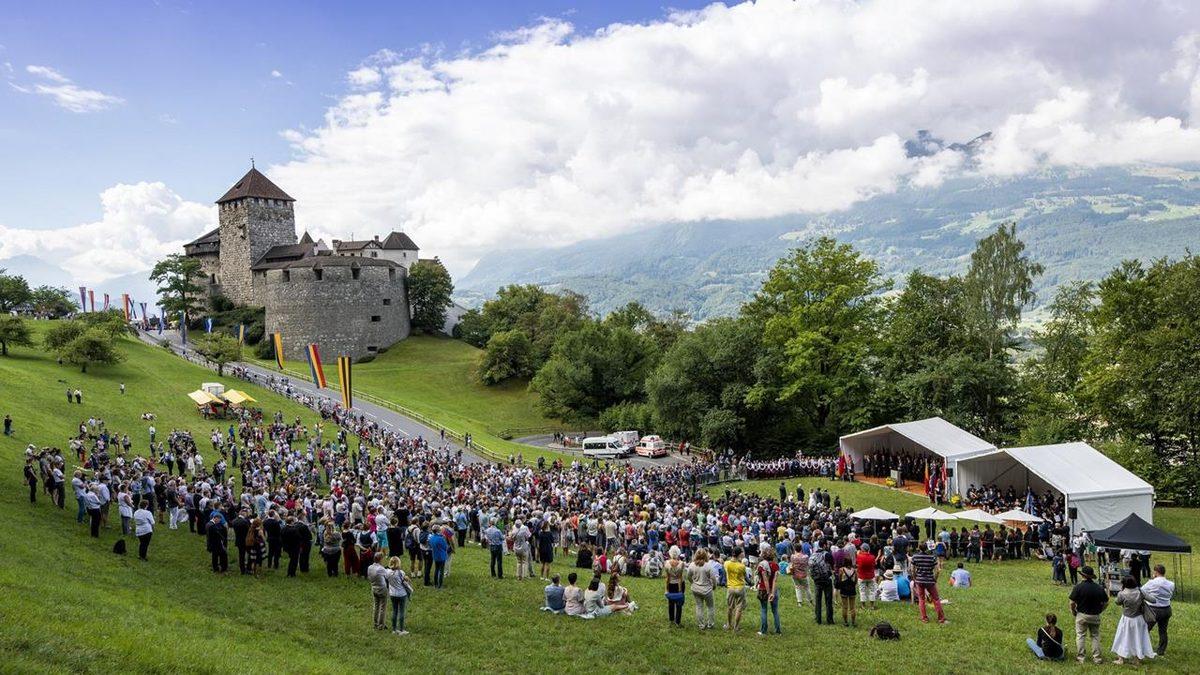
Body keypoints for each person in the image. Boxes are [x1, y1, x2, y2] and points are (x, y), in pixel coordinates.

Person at [1069, 565, 1108, 664]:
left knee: (1081, 635)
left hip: (1082, 614)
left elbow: (1072, 602)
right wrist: (1100, 610)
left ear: (1082, 575)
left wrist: (1073, 611)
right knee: (1095, 636)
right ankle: (1097, 658)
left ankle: (1081, 657)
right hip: (1095, 615)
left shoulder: (1078, 587)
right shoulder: (1098, 588)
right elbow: (1106, 602)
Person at [1111, 575, 1155, 664]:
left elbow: (1117, 602)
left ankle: (1121, 659)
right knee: (1138, 638)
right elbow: (1153, 600)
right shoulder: (1140, 592)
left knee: (1123, 637)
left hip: (1127, 619)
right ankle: (1137, 659)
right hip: (1139, 619)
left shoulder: (1122, 594)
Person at [1141, 564, 1174, 655]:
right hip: (1166, 609)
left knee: (1145, 629)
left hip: (1153, 609)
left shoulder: (1151, 583)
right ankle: (1161, 650)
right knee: (1163, 630)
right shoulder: (1171, 584)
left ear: (1156, 572)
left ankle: (1143, 647)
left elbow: (1142, 591)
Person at [911, 540, 946, 624]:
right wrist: (935, 579)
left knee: (921, 599)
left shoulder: (915, 557)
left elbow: (912, 570)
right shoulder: (932, 557)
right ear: (927, 548)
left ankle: (924, 618)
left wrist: (915, 578)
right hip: (930, 580)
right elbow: (937, 570)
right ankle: (941, 618)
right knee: (936, 599)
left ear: (919, 547)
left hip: (919, 580)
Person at [687, 548, 717, 629]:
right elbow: (713, 578)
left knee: (699, 606)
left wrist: (692, 582)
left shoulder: (692, 565)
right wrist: (714, 586)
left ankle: (701, 624)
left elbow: (688, 576)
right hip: (707, 590)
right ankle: (710, 624)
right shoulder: (708, 566)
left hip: (696, 589)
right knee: (710, 607)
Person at [385, 556, 413, 635]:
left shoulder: (387, 572)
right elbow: (406, 580)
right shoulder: (401, 572)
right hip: (401, 594)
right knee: (401, 612)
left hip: (392, 594)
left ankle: (394, 629)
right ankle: (401, 629)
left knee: (394, 611)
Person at [756, 548, 781, 635]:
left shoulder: (761, 566)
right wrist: (772, 593)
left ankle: (763, 630)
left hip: (763, 590)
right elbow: (775, 580)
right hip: (774, 590)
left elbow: (765, 579)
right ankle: (778, 631)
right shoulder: (776, 566)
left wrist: (768, 592)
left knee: (763, 610)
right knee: (775, 611)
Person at [810, 540, 834, 625]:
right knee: (828, 600)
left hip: (817, 580)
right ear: (824, 545)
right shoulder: (827, 554)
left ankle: (818, 619)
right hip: (827, 579)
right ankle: (829, 619)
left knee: (818, 600)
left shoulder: (813, 555)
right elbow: (832, 565)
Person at [724, 547, 747, 631]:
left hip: (730, 587)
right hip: (740, 587)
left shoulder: (726, 563)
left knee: (730, 607)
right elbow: (745, 576)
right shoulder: (741, 566)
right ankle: (736, 627)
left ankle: (728, 625)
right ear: (739, 554)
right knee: (739, 608)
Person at [664, 546, 686, 627]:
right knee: (679, 603)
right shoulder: (681, 564)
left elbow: (667, 578)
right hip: (679, 584)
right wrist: (680, 590)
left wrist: (666, 589)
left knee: (671, 602)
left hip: (670, 584)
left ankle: (671, 619)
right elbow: (680, 578)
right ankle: (678, 621)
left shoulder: (666, 563)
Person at [366, 553, 388, 630]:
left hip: (374, 587)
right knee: (382, 607)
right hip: (382, 589)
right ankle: (381, 625)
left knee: (376, 606)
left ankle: (375, 623)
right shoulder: (380, 568)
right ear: (380, 559)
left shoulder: (370, 567)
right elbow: (387, 575)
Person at [855, 543, 877, 611]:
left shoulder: (859, 556)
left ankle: (863, 606)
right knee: (872, 590)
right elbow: (874, 564)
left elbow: (856, 564)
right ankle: (872, 606)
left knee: (862, 591)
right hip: (870, 576)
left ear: (863, 549)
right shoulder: (872, 557)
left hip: (862, 576)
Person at [837, 557, 858, 627]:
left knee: (845, 607)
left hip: (844, 590)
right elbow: (855, 581)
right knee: (852, 607)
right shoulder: (854, 570)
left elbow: (839, 579)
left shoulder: (841, 570)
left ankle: (845, 622)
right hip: (852, 589)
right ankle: (853, 622)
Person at [429, 525, 449, 589]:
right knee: (441, 571)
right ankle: (440, 585)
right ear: (438, 531)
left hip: (435, 555)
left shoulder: (431, 538)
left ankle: (435, 584)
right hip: (441, 556)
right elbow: (445, 547)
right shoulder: (440, 539)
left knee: (436, 570)